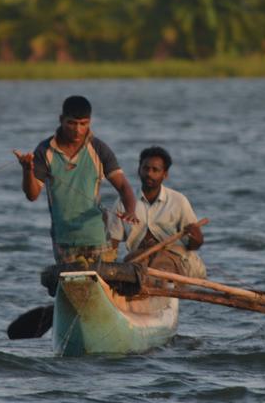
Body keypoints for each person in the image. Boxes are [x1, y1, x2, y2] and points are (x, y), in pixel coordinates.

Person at [14, 95, 138, 265]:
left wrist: (130, 210)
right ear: (61, 120)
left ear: (90, 122)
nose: (78, 130)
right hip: (64, 240)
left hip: (98, 237)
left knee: (99, 284)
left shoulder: (98, 148)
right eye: (71, 123)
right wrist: (28, 170)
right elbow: (32, 195)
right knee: (74, 284)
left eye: (83, 124)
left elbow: (123, 186)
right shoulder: (45, 151)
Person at [107, 146, 206, 278]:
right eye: (146, 168)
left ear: (165, 174)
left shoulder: (178, 201)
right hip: (138, 257)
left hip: (172, 258)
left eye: (155, 170)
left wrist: (197, 236)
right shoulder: (123, 202)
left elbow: (194, 245)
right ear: (139, 170)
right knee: (126, 273)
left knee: (160, 268)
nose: (149, 174)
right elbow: (112, 242)